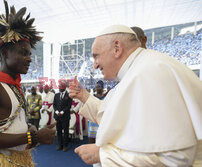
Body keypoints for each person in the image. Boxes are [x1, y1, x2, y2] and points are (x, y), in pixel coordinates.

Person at [69, 24, 202, 166]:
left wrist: (103, 156)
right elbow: (113, 116)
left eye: (96, 56)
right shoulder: (137, 71)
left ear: (117, 48)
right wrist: (84, 96)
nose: (94, 65)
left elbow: (176, 158)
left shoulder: (150, 72)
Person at [0, 1, 55, 166]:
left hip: (20, 159)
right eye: (23, 53)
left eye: (29, 53)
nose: (29, 58)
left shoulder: (16, 86)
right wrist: (34, 137)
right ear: (5, 53)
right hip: (1, 160)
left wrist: (30, 129)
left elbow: (13, 123)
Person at [53, 81, 72, 152]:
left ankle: (65, 146)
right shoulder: (56, 95)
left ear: (64, 88)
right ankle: (60, 145)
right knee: (59, 131)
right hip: (57, 116)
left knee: (66, 131)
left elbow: (69, 106)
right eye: (59, 87)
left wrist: (62, 112)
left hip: (65, 116)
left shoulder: (69, 95)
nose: (60, 89)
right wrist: (57, 112)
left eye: (61, 88)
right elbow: (54, 105)